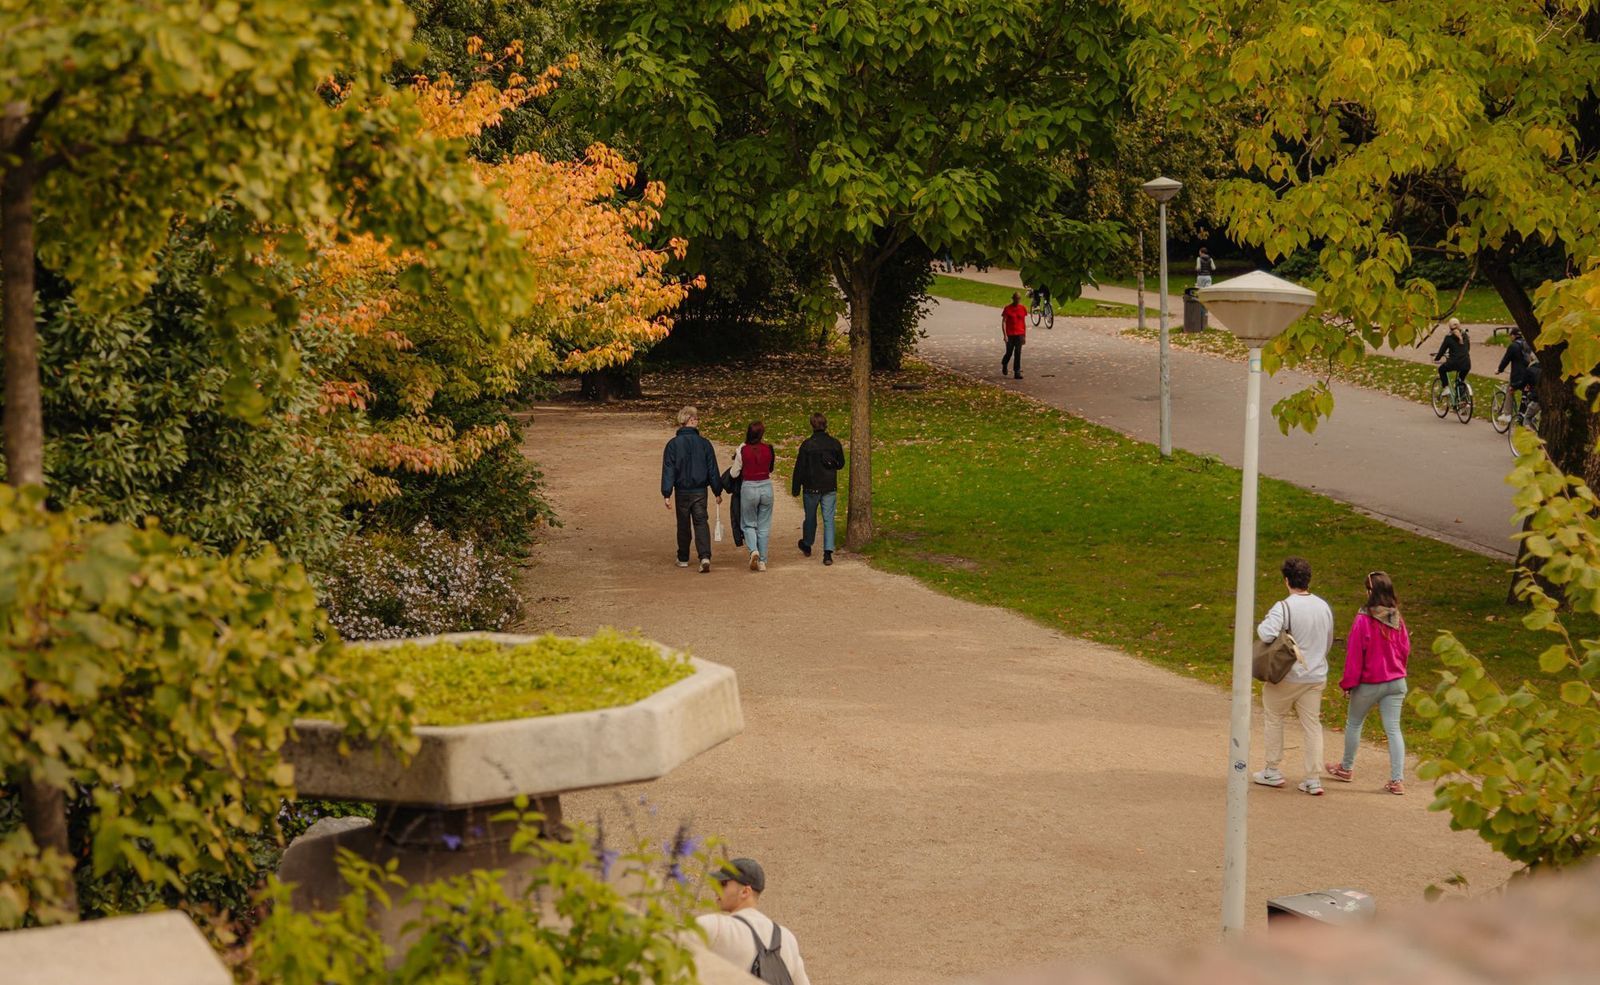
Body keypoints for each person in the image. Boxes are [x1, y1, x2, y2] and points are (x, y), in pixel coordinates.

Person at [1252, 556, 1335, 796]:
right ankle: (1312, 778)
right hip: (1316, 675)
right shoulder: (1323, 606)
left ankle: (1272, 769)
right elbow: (1328, 640)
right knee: (1312, 725)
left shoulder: (1284, 607)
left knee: (1274, 716)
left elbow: (1266, 633)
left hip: (1288, 675)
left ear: (1287, 580)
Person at [1326, 571, 1412, 795]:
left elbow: (1355, 655)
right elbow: (1405, 650)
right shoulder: (1396, 618)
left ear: (1369, 592)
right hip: (1396, 681)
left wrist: (1348, 683)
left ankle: (1346, 767)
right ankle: (1397, 780)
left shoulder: (1363, 619)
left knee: (1354, 723)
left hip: (1370, 682)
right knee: (1393, 729)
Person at [696, 858, 811, 985]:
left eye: (723, 884)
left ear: (745, 892)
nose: (715, 889)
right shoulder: (787, 939)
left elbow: (672, 956)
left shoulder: (715, 926)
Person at [661, 406, 722, 573]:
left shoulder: (673, 445)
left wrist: (667, 493)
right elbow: (712, 469)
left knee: (683, 524)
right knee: (701, 521)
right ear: (691, 420)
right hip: (700, 490)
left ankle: (683, 557)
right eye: (696, 418)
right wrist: (717, 490)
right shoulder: (704, 444)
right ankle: (704, 556)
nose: (698, 420)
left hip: (682, 490)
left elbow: (669, 470)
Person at [792, 412, 844, 566]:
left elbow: (799, 468)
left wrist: (796, 487)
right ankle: (828, 553)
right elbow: (841, 464)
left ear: (812, 425)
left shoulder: (807, 445)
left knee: (810, 517)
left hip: (811, 487)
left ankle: (807, 543)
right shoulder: (834, 443)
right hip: (829, 486)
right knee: (828, 519)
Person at [734, 421, 776, 572]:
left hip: (749, 487)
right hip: (766, 486)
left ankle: (753, 550)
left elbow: (734, 473)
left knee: (748, 523)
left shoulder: (742, 450)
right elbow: (770, 468)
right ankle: (763, 561)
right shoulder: (769, 449)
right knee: (764, 525)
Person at [1497, 328, 1541, 410]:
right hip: (1530, 374)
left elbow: (1506, 360)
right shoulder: (1527, 344)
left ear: (1513, 336)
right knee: (1526, 393)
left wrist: (1499, 370)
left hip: (1517, 376)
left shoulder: (1513, 346)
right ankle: (1522, 414)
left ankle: (1507, 414)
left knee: (1510, 390)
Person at [1431, 318, 1471, 398]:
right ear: (1459, 325)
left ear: (1450, 327)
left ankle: (1446, 388)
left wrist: (1436, 358)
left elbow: (1442, 351)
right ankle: (1462, 399)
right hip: (1466, 363)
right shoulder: (1465, 335)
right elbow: (1468, 349)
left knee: (1441, 369)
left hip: (1454, 363)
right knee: (1460, 380)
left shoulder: (1448, 338)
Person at [1000, 291, 1027, 380]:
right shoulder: (1007, 309)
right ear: (1013, 299)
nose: (1017, 300)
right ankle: (1004, 363)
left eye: (1019, 298)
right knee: (1009, 352)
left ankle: (1017, 372)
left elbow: (1023, 322)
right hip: (1010, 334)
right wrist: (1005, 335)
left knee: (1018, 353)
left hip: (1019, 334)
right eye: (1016, 298)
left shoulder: (1022, 308)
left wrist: (1024, 336)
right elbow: (1004, 321)